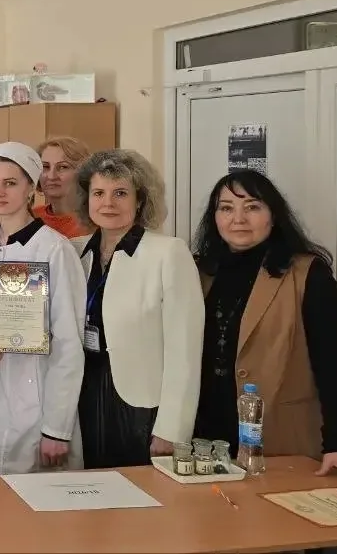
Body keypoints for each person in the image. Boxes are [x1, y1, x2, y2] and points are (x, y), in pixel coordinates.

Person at [190, 170, 337, 489]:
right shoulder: (200, 272)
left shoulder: (307, 274)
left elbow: (336, 364)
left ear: (273, 215)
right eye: (226, 208)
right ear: (214, 217)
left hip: (280, 438)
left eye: (252, 207)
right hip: (207, 440)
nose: (238, 219)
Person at [71, 150, 205, 468]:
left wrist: (172, 429)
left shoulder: (168, 253)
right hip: (81, 395)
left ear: (140, 200)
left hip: (140, 406)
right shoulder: (74, 251)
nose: (108, 203)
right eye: (99, 193)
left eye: (120, 193)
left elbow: (184, 350)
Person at [0, 143, 85, 476]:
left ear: (31, 187)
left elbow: (69, 343)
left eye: (10, 183)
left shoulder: (54, 250)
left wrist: (57, 428)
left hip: (36, 400)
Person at [34, 136, 91, 238]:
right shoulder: (31, 217)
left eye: (63, 167)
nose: (51, 176)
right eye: (45, 167)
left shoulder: (96, 220)